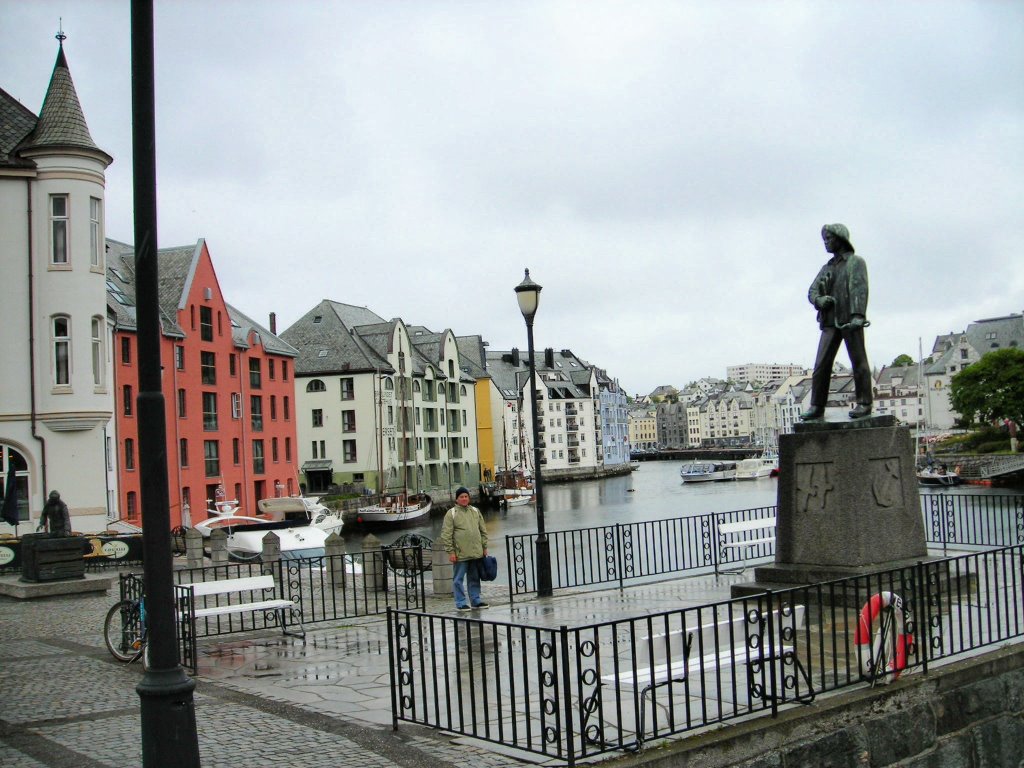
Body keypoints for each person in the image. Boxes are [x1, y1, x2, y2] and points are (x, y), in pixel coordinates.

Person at [800, 223, 873, 421]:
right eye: (824, 239)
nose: (826, 243)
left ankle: (865, 402)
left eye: (829, 239)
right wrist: (819, 300)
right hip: (830, 321)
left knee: (858, 362)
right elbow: (812, 291)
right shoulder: (827, 267)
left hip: (849, 319)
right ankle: (817, 406)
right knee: (821, 365)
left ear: (840, 239)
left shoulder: (855, 262)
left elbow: (859, 288)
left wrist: (858, 315)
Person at [439, 486, 488, 610]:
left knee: (474, 578)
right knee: (458, 580)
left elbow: (483, 531)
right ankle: (460, 603)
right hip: (460, 553)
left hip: (476, 552)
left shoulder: (476, 511)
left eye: (466, 496)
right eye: (461, 497)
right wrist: (451, 552)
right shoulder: (452, 514)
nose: (464, 499)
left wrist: (484, 547)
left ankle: (475, 601)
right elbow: (446, 534)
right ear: (457, 499)